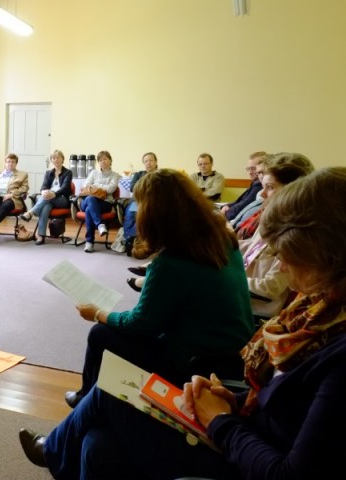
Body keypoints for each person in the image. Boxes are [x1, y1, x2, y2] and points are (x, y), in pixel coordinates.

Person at [19, 167, 346, 480]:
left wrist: (219, 420)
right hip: (231, 390)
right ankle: (60, 445)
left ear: (327, 255)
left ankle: (54, 447)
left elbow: (142, 324)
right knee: (95, 444)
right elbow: (279, 406)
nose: (284, 267)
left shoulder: (334, 354)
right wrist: (231, 401)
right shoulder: (307, 312)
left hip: (223, 422)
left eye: (290, 255)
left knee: (109, 378)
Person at [63, 169, 255, 410]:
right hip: (231, 354)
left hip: (194, 361)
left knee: (100, 334)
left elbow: (141, 325)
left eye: (140, 204)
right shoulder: (221, 239)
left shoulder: (171, 263)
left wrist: (99, 314)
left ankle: (86, 399)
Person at [235, 161, 311, 241]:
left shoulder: (290, 226)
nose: (262, 194)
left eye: (270, 187)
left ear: (290, 190)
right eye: (263, 187)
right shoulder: (266, 211)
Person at [19, 150, 73, 245]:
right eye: (53, 158)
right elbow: (43, 186)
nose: (56, 160)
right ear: (51, 160)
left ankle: (30, 213)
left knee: (46, 199)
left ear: (62, 159)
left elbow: (65, 188)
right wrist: (44, 192)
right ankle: (41, 235)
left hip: (62, 199)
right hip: (49, 199)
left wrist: (54, 194)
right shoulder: (48, 173)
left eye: (58, 158)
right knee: (45, 207)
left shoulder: (68, 172)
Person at [75, 150, 121, 253]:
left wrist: (95, 186)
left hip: (105, 203)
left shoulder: (115, 175)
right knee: (90, 199)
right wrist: (101, 188)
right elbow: (87, 185)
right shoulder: (93, 173)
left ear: (110, 160)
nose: (102, 161)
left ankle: (89, 242)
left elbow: (111, 189)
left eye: (105, 159)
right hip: (87, 200)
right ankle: (100, 224)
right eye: (100, 160)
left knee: (88, 210)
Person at [122, 152, 158, 255]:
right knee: (130, 216)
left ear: (155, 162)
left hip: (151, 203)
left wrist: (142, 186)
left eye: (151, 160)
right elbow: (132, 187)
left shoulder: (160, 175)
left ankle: (131, 240)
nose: (148, 163)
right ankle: (129, 239)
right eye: (146, 161)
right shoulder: (139, 174)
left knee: (140, 216)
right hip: (137, 201)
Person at [220, 151, 267, 220]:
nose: (250, 172)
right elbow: (239, 201)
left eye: (253, 168)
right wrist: (226, 206)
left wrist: (225, 213)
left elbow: (244, 204)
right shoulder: (255, 183)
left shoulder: (260, 185)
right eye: (248, 169)